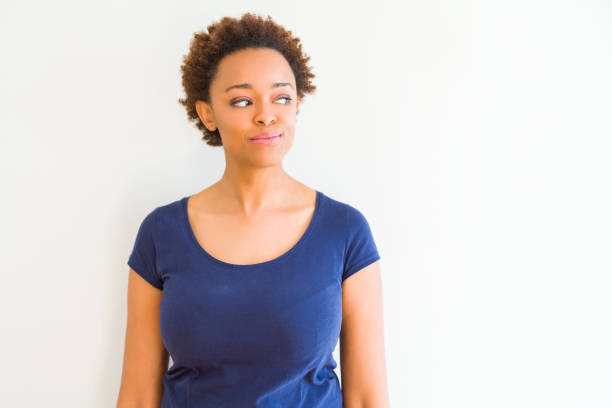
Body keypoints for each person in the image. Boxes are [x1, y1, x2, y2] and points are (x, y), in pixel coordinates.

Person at [116, 12, 390, 408]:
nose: (266, 114)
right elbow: (139, 396)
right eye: (242, 100)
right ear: (208, 113)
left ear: (297, 104)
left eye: (282, 97)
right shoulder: (161, 233)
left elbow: (367, 398)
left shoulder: (344, 231)